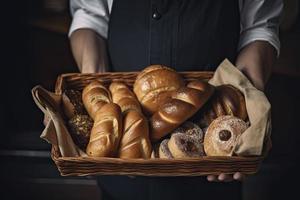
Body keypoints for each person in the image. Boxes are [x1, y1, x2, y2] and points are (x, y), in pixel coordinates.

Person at [68, 0, 283, 199]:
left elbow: (258, 28)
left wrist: (251, 105)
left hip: (214, 164)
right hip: (120, 164)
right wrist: (95, 101)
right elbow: (90, 16)